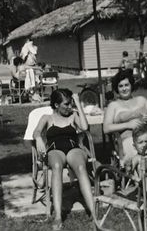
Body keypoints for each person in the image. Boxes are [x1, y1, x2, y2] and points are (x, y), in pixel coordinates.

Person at [33, 89, 95, 230]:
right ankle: (58, 216)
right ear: (56, 105)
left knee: (80, 167)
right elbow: (36, 131)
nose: (69, 107)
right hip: (56, 150)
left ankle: (93, 212)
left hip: (74, 149)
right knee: (56, 166)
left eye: (71, 103)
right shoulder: (46, 118)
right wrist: (38, 138)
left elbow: (85, 127)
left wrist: (78, 104)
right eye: (66, 104)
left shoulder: (73, 116)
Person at [103, 69, 147, 167]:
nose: (124, 89)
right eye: (121, 86)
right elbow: (106, 128)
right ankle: (143, 178)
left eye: (127, 85)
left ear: (131, 86)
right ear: (117, 88)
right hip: (128, 139)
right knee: (137, 156)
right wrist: (128, 125)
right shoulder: (113, 105)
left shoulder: (141, 100)